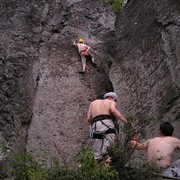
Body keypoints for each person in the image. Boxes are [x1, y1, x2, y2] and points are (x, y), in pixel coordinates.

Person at [86, 92, 127, 163]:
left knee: (97, 156)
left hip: (95, 125)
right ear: (111, 98)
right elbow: (113, 110)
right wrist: (125, 122)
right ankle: (107, 170)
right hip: (107, 124)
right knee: (108, 152)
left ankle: (95, 171)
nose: (115, 102)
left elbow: (89, 118)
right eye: (115, 100)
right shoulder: (111, 101)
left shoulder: (93, 103)